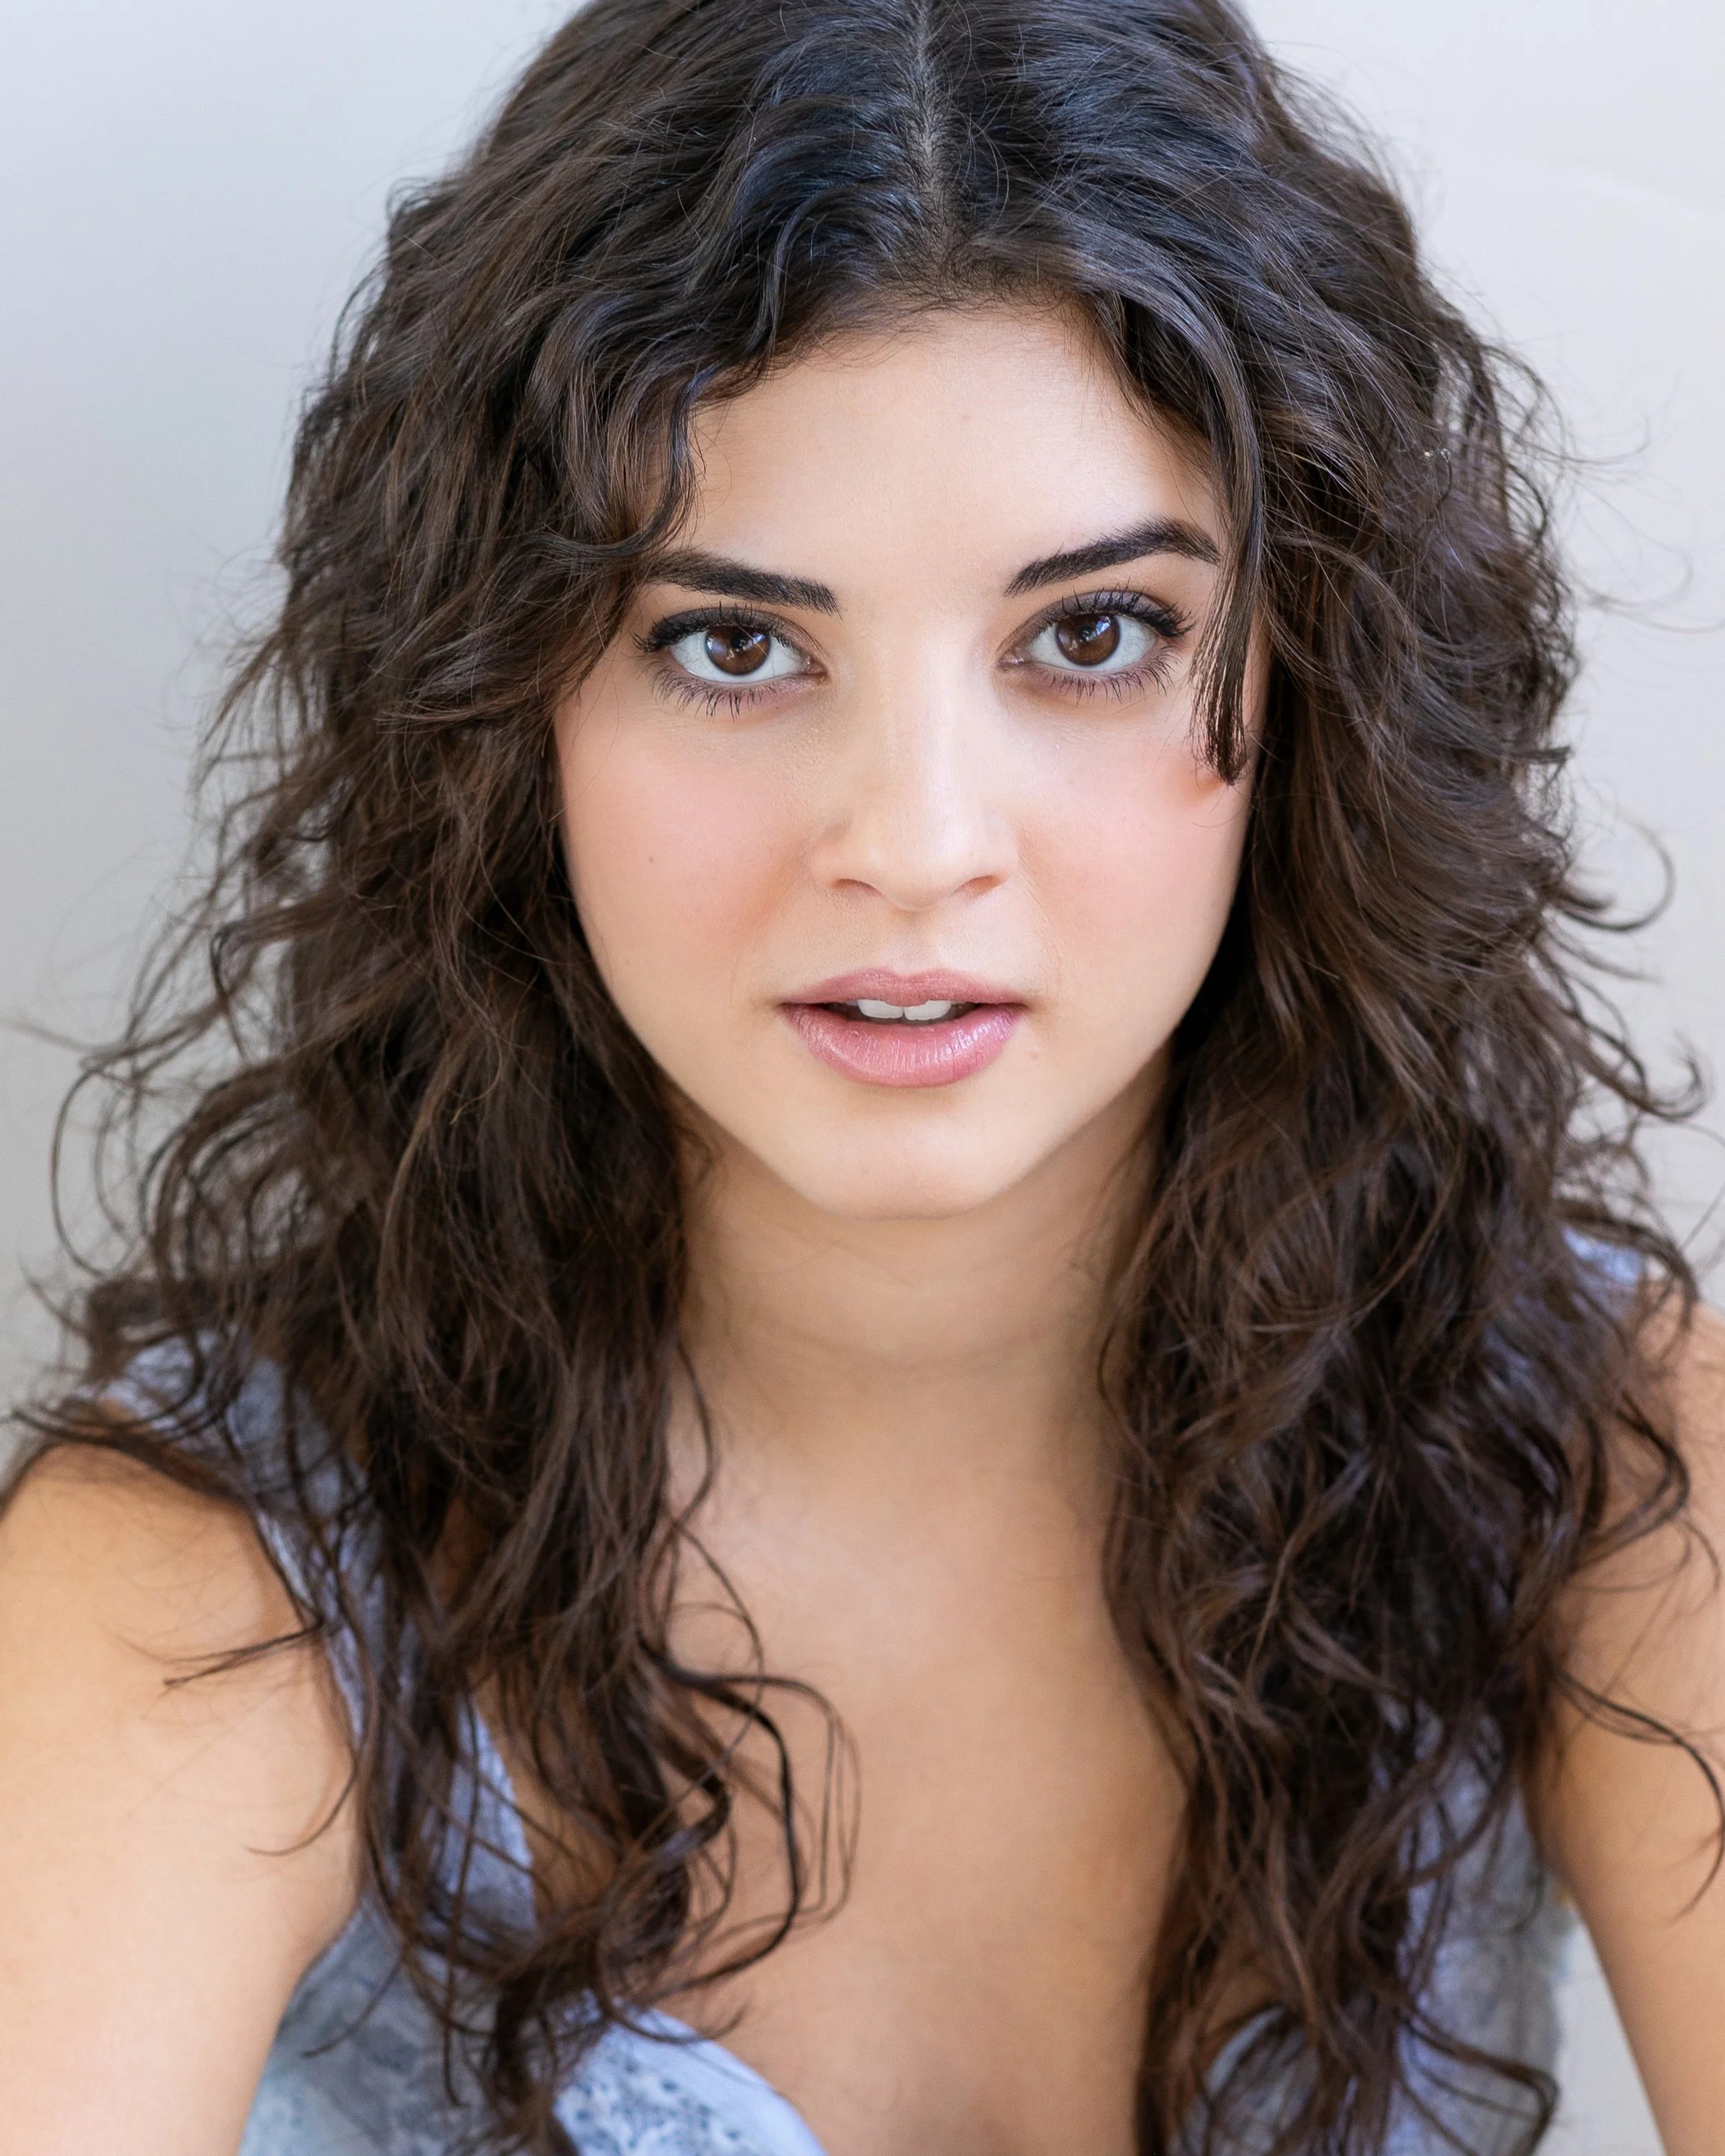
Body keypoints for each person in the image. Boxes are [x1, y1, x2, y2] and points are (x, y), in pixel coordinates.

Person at [2, 0, 1721, 2150]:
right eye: (732, 644)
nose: (911, 838)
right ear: (502, 722)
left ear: (1313, 680)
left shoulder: (1608, 1469)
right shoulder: (204, 1591)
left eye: (1088, 635)